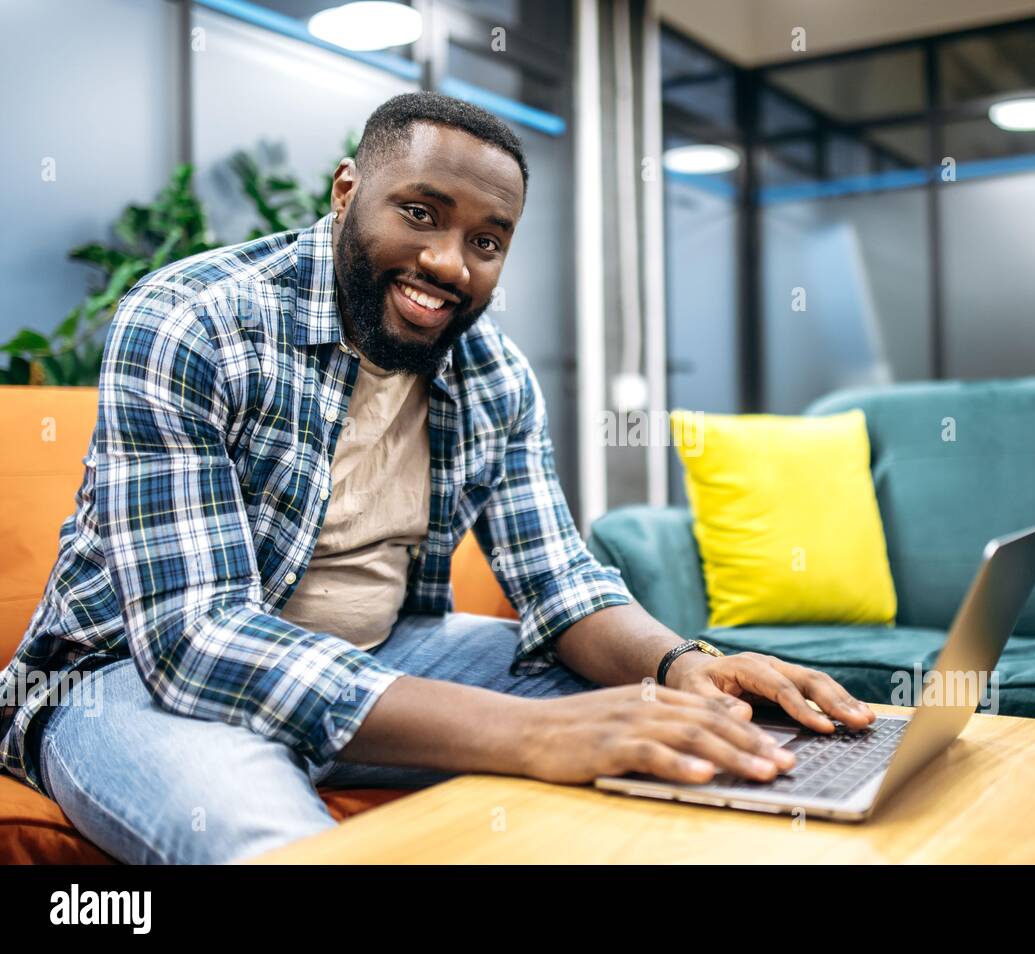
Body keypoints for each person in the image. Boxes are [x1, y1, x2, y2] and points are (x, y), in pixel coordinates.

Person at [0, 92, 874, 864]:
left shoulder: (492, 373)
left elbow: (562, 585)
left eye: (486, 241)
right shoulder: (193, 321)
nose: (452, 264)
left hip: (383, 658)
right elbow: (198, 639)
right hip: (133, 682)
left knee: (686, 722)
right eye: (420, 213)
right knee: (273, 843)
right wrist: (533, 734)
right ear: (346, 194)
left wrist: (683, 666)